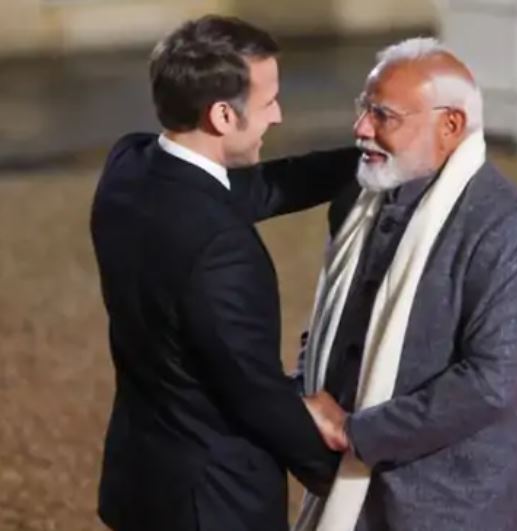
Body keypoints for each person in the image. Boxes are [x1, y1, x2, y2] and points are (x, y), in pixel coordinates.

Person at [90, 15, 356, 531]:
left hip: (141, 477)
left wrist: (367, 160)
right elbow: (253, 391)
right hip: (212, 502)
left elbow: (260, 188)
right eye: (268, 102)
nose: (278, 115)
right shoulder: (221, 249)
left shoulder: (130, 165)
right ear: (222, 115)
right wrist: (340, 472)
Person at [296, 37, 517, 531]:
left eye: (383, 115)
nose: (360, 128)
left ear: (450, 125)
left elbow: (490, 383)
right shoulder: (357, 200)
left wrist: (354, 432)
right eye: (364, 108)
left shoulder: (505, 226)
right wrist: (303, 394)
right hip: (348, 485)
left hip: (451, 499)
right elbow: (327, 321)